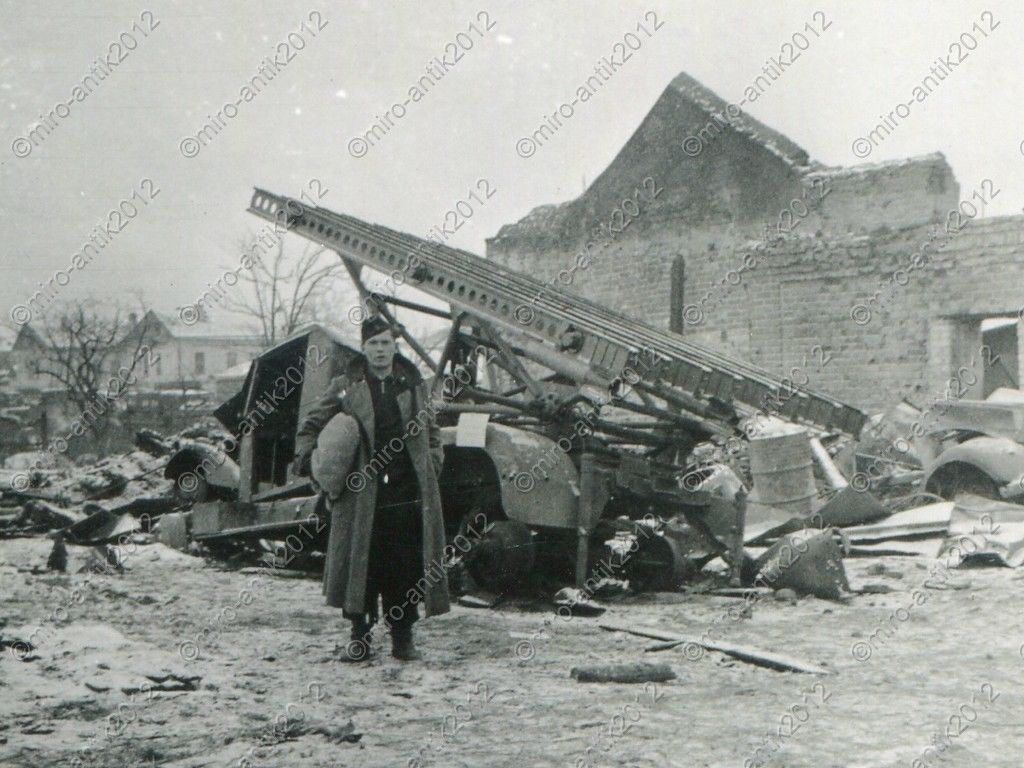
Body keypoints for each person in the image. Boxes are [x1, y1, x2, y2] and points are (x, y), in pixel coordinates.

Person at [295, 316, 450, 661]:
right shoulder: (346, 384)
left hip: (405, 493)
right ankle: (359, 636)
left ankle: (403, 636)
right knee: (361, 565)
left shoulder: (413, 385)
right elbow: (310, 426)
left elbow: (433, 433)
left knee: (404, 566)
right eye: (373, 344)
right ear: (363, 348)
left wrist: (432, 465)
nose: (380, 351)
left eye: (385, 344)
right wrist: (313, 463)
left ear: (395, 347)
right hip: (359, 494)